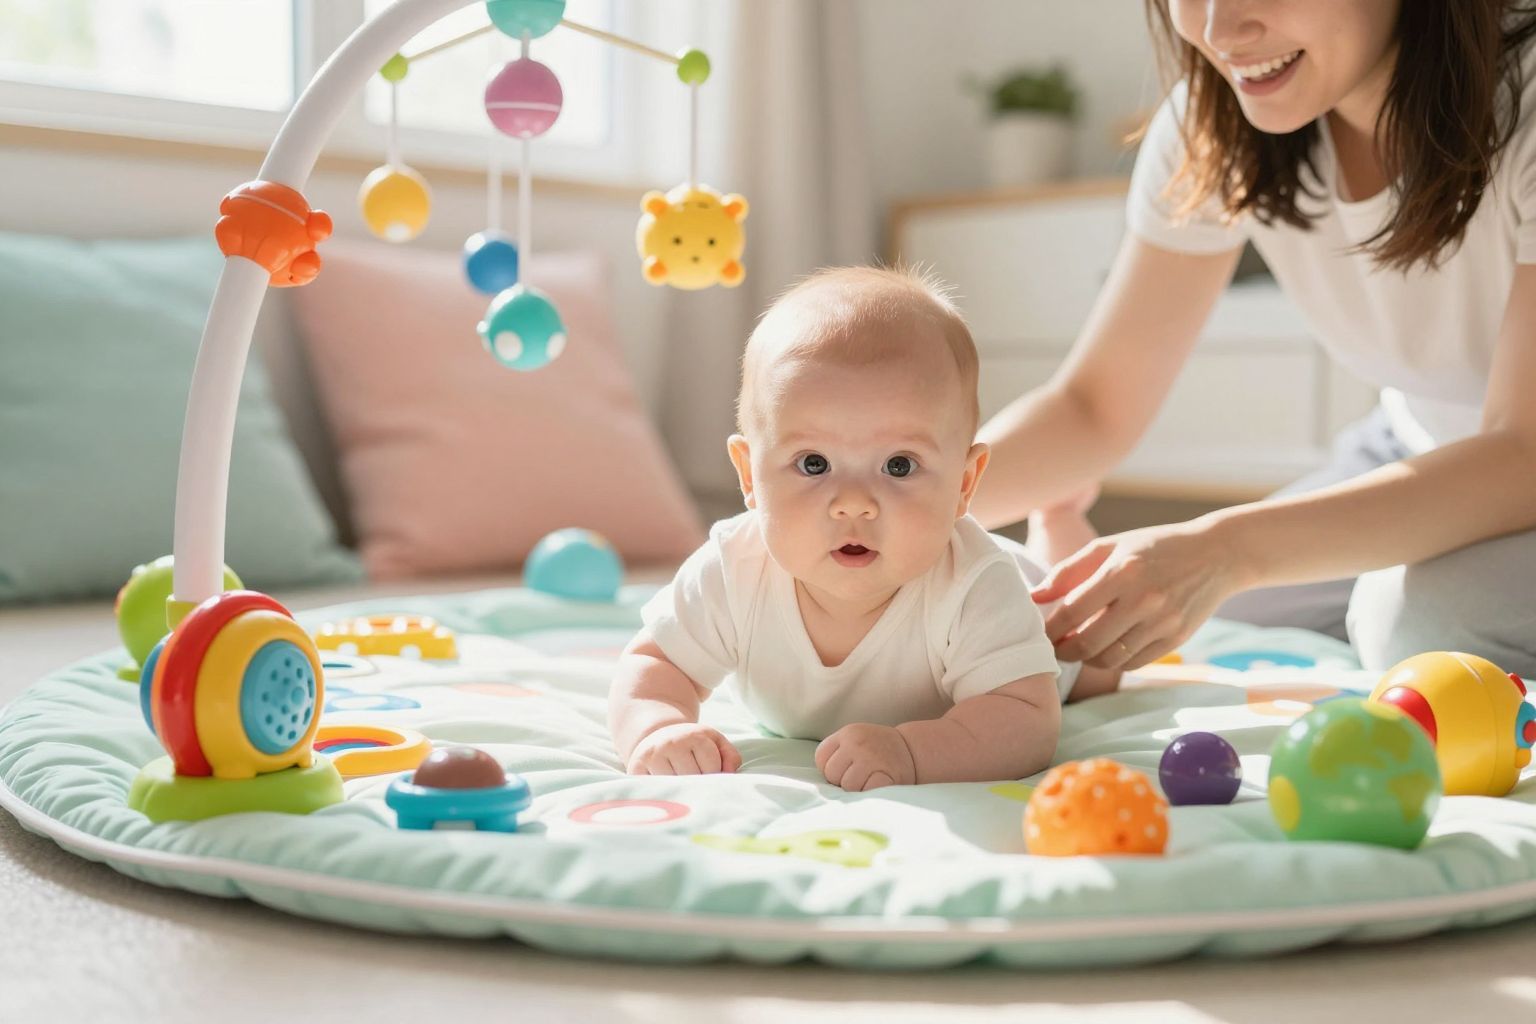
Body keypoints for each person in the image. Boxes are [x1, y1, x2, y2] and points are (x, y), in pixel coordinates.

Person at [970, 0, 1536, 678]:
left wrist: (1223, 550)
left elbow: (1520, 454)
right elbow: (1094, 406)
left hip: (1514, 461)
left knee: (1419, 625)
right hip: (1418, 445)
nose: (1218, 30)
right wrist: (898, 504)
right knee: (1181, 619)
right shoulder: (1217, 122)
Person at [607, 267, 1118, 792]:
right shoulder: (732, 570)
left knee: (1096, 653)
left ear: (965, 483)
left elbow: (1027, 718)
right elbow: (654, 665)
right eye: (812, 463)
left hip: (1037, 610)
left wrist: (912, 752)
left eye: (899, 465)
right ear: (748, 475)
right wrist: (658, 729)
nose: (854, 504)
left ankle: (1059, 519)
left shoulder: (974, 585)